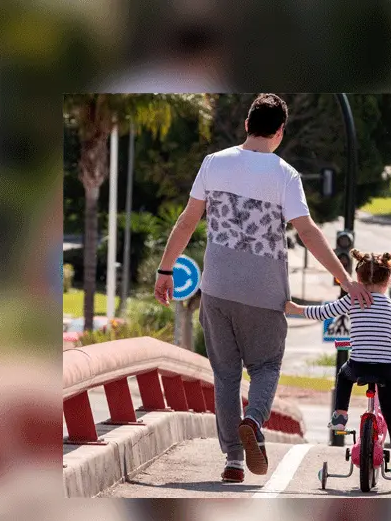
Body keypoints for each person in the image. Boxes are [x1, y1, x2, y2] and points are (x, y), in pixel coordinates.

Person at [154, 94, 372, 483]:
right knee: (266, 366)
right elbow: (307, 232)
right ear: (280, 132)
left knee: (225, 375)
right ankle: (253, 421)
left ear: (246, 124)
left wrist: (165, 269)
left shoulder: (213, 163)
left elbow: (188, 220)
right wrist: (345, 280)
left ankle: (234, 461)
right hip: (264, 291)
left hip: (217, 287)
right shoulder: (284, 175)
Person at [286, 250, 391, 473]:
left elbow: (324, 312)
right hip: (386, 370)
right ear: (388, 281)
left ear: (358, 279)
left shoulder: (352, 300)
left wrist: (296, 309)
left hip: (359, 366)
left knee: (343, 375)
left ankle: (340, 415)